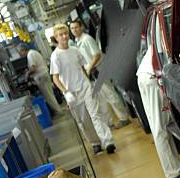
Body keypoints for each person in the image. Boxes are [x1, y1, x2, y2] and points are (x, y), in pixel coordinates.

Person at [136, 43, 180, 178]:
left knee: (164, 124)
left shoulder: (162, 26)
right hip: (152, 77)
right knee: (160, 128)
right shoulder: (164, 28)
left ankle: (176, 168)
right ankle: (173, 174)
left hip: (148, 75)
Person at [50, 23, 116, 155]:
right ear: (56, 38)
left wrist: (89, 81)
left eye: (65, 34)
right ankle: (95, 143)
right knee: (83, 121)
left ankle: (108, 141)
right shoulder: (55, 56)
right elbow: (55, 78)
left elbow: (83, 67)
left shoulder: (75, 50)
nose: (64, 36)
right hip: (71, 92)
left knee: (95, 114)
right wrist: (65, 92)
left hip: (85, 87)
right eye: (61, 35)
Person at [70, 20, 130, 129]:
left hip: (98, 70)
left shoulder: (87, 39)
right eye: (72, 28)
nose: (74, 30)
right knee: (101, 99)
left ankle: (124, 118)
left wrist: (89, 69)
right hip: (92, 73)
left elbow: (96, 55)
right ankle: (109, 123)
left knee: (110, 94)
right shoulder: (77, 41)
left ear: (81, 27)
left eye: (76, 27)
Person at [19, 43, 61, 114]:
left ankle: (58, 111)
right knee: (50, 94)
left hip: (41, 77)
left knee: (48, 96)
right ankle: (57, 109)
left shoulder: (30, 55)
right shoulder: (33, 52)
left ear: (23, 50)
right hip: (44, 74)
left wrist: (27, 74)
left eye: (20, 52)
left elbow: (33, 68)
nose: (20, 54)